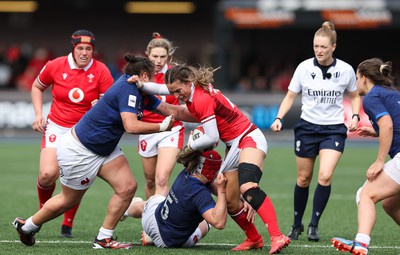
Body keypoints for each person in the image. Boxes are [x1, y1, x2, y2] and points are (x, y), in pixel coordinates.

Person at [12, 54, 197, 249]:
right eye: (150, 77)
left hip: (103, 149)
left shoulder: (138, 89)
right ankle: (28, 226)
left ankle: (103, 238)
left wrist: (205, 113)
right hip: (81, 150)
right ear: (143, 75)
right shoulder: (128, 89)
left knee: (127, 187)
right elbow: (131, 126)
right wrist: (161, 127)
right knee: (68, 200)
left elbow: (170, 109)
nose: (152, 81)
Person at [129, 65, 291, 254]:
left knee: (247, 187)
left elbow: (213, 138)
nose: (176, 95)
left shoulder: (200, 98)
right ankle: (254, 239)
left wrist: (192, 145)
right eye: (173, 91)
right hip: (234, 146)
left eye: (178, 90)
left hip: (249, 137)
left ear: (188, 83)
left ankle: (277, 235)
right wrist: (141, 85)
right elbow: (161, 88)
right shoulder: (190, 89)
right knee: (231, 202)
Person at [270, 21, 361, 242]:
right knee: (303, 179)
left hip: (333, 130)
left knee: (325, 175)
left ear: (333, 47)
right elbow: (290, 96)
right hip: (307, 128)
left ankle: (313, 225)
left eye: (323, 46)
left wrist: (356, 115)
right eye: (315, 46)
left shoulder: (346, 70)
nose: (319, 50)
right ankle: (296, 223)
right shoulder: (303, 68)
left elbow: (355, 95)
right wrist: (279, 117)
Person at [30, 29, 114, 238]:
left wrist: (99, 105)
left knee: (76, 179)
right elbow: (36, 87)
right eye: (81, 48)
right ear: (73, 49)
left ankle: (67, 223)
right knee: (47, 175)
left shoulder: (101, 71)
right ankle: (44, 210)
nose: (85, 53)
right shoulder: (55, 65)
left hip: (84, 132)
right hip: (57, 127)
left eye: (89, 49)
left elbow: (110, 104)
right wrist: (39, 114)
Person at [331, 58, 400, 255]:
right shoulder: (391, 92)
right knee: (391, 204)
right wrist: (376, 131)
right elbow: (393, 124)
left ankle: (361, 243)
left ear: (365, 78)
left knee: (365, 194)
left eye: (356, 77)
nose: (355, 82)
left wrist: (380, 161)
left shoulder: (371, 97)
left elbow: (388, 124)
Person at [124, 148, 229, 248]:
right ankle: (149, 235)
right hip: (168, 242)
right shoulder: (200, 192)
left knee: (151, 202)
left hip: (151, 221)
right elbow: (219, 223)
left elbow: (209, 184)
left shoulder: (187, 171)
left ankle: (124, 210)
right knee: (207, 221)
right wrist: (222, 190)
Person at [138, 32, 185, 199]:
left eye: (162, 57)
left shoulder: (177, 74)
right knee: (150, 180)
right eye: (155, 56)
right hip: (147, 129)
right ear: (147, 55)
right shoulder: (140, 74)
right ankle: (149, 219)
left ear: (169, 56)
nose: (158, 61)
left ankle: (158, 224)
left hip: (171, 129)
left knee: (162, 179)